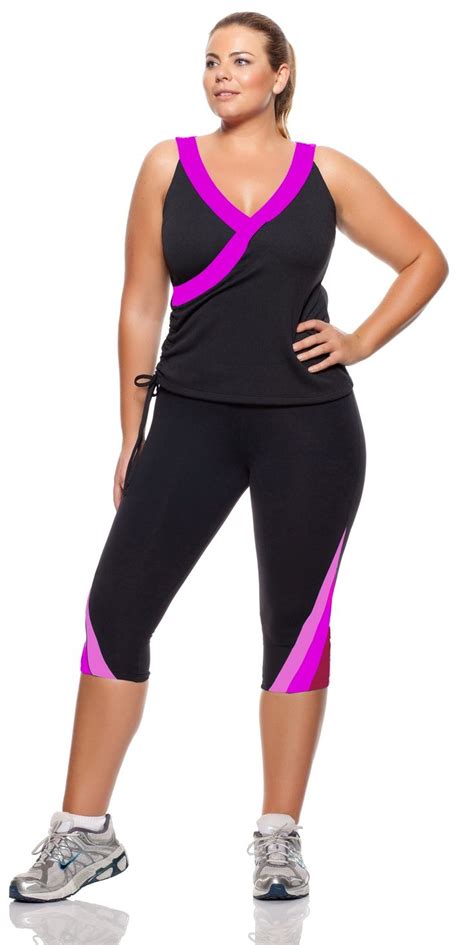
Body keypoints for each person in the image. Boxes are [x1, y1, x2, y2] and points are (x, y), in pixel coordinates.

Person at [9, 12, 448, 904]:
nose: (221, 74)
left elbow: (424, 259)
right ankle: (83, 832)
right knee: (115, 610)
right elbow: (141, 303)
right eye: (210, 61)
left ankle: (279, 837)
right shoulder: (165, 166)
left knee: (294, 627)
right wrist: (130, 433)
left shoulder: (327, 172)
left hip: (311, 429)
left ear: (280, 75)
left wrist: (359, 339)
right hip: (191, 422)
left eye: (242, 60)